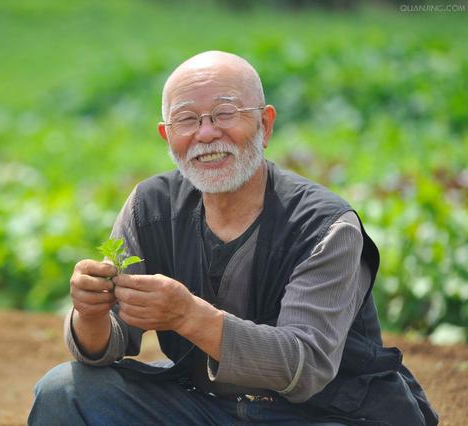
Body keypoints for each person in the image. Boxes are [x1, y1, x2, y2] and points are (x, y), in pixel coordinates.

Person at [28, 51, 438, 425]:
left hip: (322, 412)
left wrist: (188, 315)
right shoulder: (150, 207)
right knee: (65, 394)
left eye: (225, 114)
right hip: (204, 406)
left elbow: (304, 368)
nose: (206, 134)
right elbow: (107, 344)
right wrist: (91, 314)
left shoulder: (325, 224)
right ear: (167, 136)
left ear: (265, 124)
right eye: (187, 119)